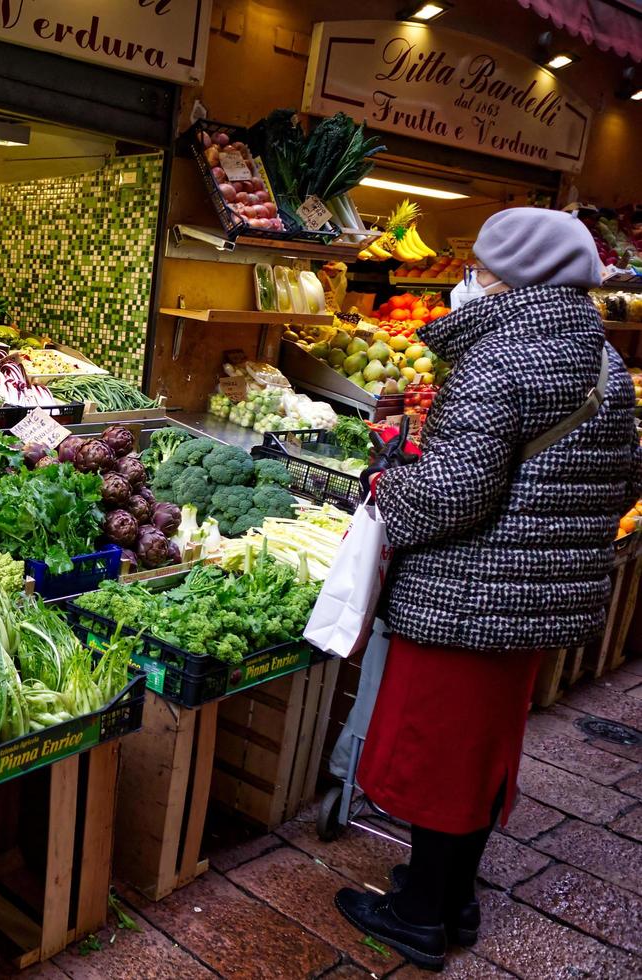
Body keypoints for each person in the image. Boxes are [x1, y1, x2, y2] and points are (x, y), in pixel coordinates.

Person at [334, 207, 642, 971]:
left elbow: (452, 493)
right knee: (482, 753)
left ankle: (418, 917)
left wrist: (383, 485)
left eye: (481, 264)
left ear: (510, 274)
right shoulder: (598, 358)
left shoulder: (503, 356)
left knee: (441, 753)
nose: (470, 278)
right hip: (535, 595)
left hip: (470, 592)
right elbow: (623, 473)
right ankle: (452, 894)